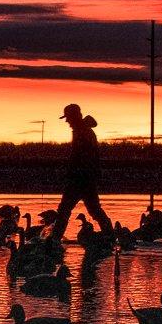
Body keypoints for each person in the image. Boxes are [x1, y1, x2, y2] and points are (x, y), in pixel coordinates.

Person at [49, 103, 112, 241]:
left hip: (80, 179)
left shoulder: (83, 132)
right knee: (94, 210)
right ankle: (110, 235)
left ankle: (55, 239)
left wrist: (71, 173)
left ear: (75, 117)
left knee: (65, 210)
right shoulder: (83, 131)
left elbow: (82, 157)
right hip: (86, 178)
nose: (67, 121)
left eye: (68, 118)